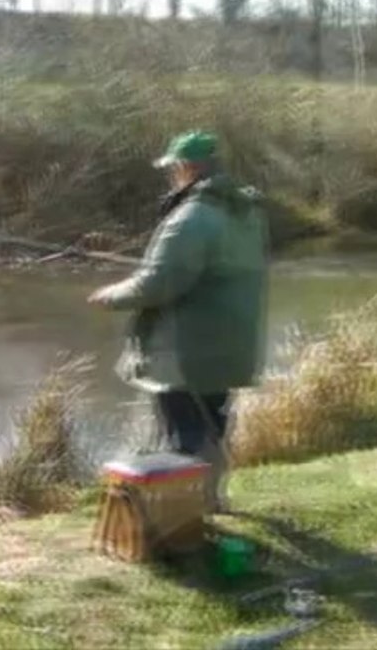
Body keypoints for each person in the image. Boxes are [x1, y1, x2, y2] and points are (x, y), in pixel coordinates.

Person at [87, 130, 269, 513]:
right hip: (229, 344)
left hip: (186, 353)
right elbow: (207, 269)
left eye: (173, 169)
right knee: (212, 428)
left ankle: (184, 518)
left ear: (188, 168)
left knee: (184, 436)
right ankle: (210, 503)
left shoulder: (191, 218)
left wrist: (111, 296)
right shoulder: (246, 212)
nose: (172, 177)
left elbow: (159, 284)